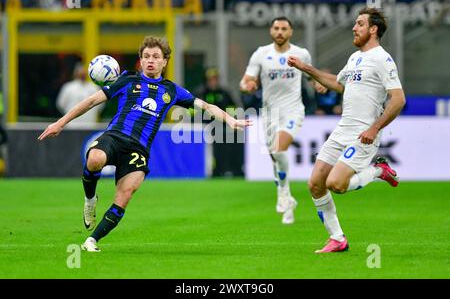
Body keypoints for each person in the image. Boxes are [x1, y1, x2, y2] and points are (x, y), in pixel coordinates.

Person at [38, 36, 251, 252]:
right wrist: (60, 123)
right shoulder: (127, 80)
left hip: (138, 148)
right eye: (146, 56)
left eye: (156, 57)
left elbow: (205, 105)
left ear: (165, 61)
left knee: (125, 194)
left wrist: (230, 119)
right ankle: (90, 200)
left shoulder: (172, 90)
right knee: (94, 159)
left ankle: (91, 241)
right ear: (140, 59)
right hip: (115, 136)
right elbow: (92, 101)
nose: (151, 60)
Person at [287, 7, 406, 253]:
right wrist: (308, 70)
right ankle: (338, 239)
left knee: (337, 184)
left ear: (373, 29)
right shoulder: (355, 58)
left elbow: (398, 99)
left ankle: (377, 171)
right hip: (342, 130)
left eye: (360, 24)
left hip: (363, 133)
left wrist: (374, 128)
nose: (354, 27)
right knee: (315, 184)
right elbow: (338, 84)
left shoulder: (382, 59)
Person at [240, 16, 321, 224]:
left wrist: (317, 84)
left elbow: (311, 75)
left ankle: (283, 193)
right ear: (271, 30)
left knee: (278, 149)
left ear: (291, 32)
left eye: (284, 28)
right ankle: (289, 205)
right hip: (269, 113)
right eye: (276, 28)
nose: (280, 32)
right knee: (276, 158)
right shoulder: (261, 53)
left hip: (293, 110)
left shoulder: (301, 54)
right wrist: (247, 85)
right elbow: (246, 80)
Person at [195, 67, 240, 177]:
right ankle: (209, 171)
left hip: (221, 128)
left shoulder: (224, 93)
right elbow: (191, 113)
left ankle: (226, 170)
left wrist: (229, 120)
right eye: (210, 79)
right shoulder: (200, 93)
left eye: (215, 79)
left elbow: (233, 109)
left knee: (227, 145)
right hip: (203, 129)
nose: (213, 81)